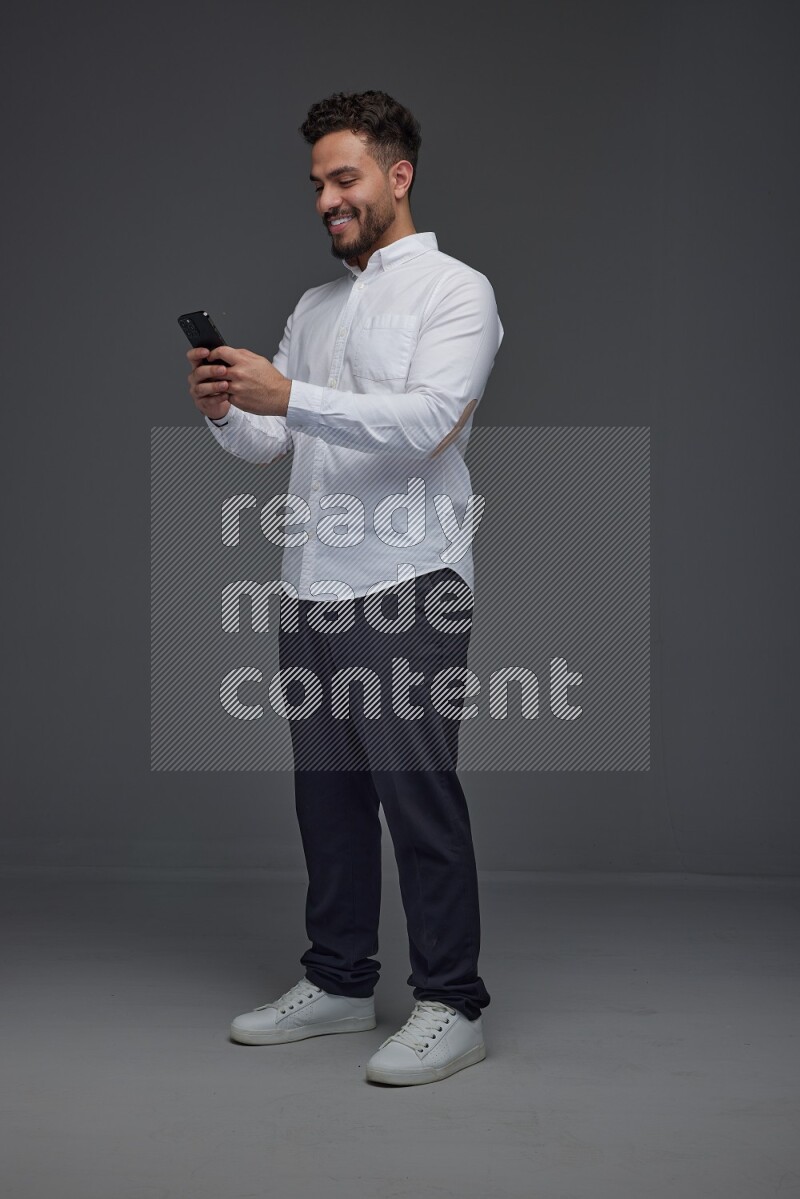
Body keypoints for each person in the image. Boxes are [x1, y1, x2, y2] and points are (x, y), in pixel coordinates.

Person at [186, 90, 503, 1086]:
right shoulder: (315, 308)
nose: (326, 198)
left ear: (395, 176)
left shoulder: (457, 291)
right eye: (317, 183)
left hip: (410, 582)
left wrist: (294, 395)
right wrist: (226, 407)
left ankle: (452, 1000)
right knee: (327, 798)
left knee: (416, 796)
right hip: (312, 583)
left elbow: (425, 424)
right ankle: (337, 981)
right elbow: (271, 441)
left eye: (343, 178)